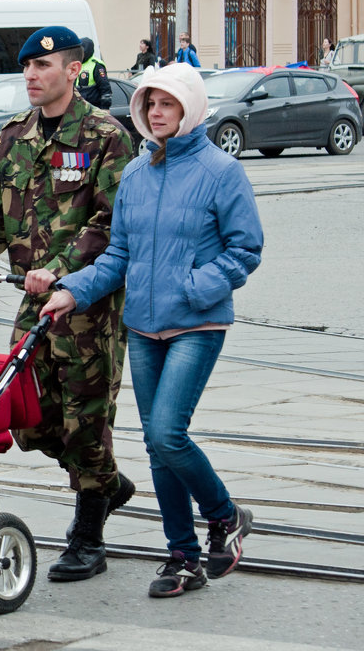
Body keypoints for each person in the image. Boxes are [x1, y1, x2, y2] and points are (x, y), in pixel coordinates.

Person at [40, 62, 263, 598]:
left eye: (168, 104)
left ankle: (224, 514)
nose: (157, 113)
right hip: (142, 325)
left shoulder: (220, 171)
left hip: (196, 323)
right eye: (150, 104)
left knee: (167, 433)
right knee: (159, 448)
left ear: (189, 109)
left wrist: (193, 287)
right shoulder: (136, 175)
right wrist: (73, 290)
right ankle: (182, 558)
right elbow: (119, 254)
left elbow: (245, 250)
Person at [0, 26, 136, 583]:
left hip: (88, 303)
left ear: (72, 70)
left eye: (43, 66)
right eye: (27, 68)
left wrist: (60, 268)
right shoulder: (14, 136)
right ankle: (106, 481)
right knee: (26, 417)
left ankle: (88, 535)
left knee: (86, 419)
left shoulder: (107, 136)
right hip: (31, 301)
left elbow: (111, 223)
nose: (31, 76)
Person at [77, 37, 112, 109]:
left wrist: (105, 107)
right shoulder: (77, 65)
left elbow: (105, 87)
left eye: (82, 50)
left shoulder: (96, 65)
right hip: (78, 108)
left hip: (93, 108)